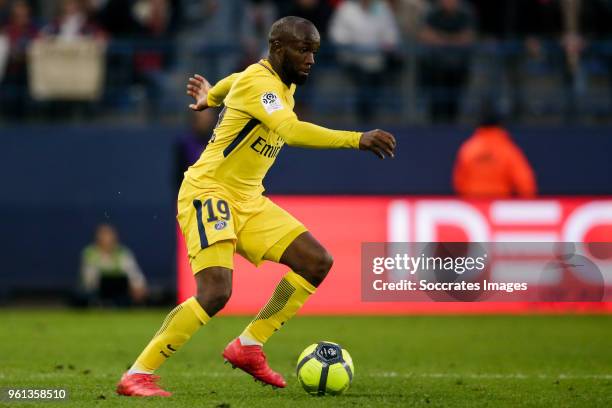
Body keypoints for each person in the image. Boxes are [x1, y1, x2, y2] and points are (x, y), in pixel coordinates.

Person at [116, 15, 396, 397]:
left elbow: (235, 81)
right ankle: (137, 374)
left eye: (314, 51)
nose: (311, 60)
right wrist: (356, 138)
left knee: (317, 262)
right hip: (209, 192)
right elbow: (291, 130)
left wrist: (210, 95)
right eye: (302, 50)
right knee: (215, 293)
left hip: (248, 199)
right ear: (278, 48)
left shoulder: (272, 81)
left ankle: (249, 345)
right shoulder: (261, 83)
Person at [453, 104, 537, 198]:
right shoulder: (507, 149)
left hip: (474, 203)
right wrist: (528, 202)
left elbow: (459, 181)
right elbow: (524, 180)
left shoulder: (468, 148)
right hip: (499, 203)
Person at [418, 0, 475, 123]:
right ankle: (434, 123)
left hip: (457, 66)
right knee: (435, 101)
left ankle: (452, 121)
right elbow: (426, 35)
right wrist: (454, 40)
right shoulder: (433, 14)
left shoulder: (465, 14)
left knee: (454, 102)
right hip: (435, 65)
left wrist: (442, 39)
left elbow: (468, 37)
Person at [80, 224, 147, 306]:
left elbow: (134, 273)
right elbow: (88, 279)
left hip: (120, 292)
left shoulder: (123, 253)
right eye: (103, 236)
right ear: (97, 238)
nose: (106, 239)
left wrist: (138, 286)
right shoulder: (90, 253)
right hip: (97, 292)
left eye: (109, 236)